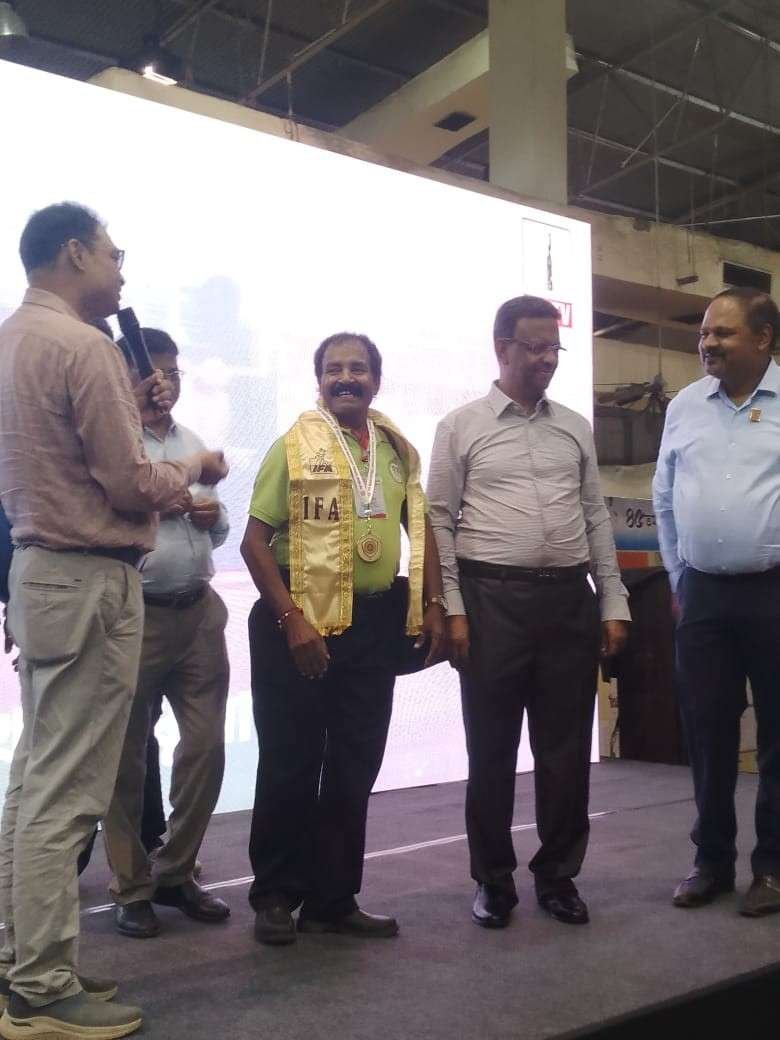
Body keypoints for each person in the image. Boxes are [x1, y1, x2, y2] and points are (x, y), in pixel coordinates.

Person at [0, 202, 227, 1040]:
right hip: (89, 578)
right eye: (113, 253)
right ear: (74, 253)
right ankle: (40, 989)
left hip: (40, 572)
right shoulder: (84, 345)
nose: (121, 270)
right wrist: (193, 467)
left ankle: (21, 962)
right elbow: (130, 484)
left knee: (35, 779)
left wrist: (130, 415)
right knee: (66, 793)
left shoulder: (12, 338)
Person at [427, 295, 630, 930]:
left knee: (565, 752)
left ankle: (558, 876)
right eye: (535, 347)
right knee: (491, 751)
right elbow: (438, 522)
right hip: (491, 601)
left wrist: (613, 600)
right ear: (502, 348)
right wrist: (453, 608)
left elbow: (595, 516)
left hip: (569, 601)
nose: (547, 359)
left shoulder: (574, 426)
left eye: (553, 348)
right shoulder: (460, 426)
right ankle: (492, 881)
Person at [241, 332, 446, 945]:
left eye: (358, 368)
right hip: (297, 625)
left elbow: (422, 530)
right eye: (334, 369)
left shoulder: (393, 450)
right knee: (291, 762)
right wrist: (291, 619)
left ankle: (332, 899)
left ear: (376, 382)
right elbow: (253, 542)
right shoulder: (294, 446)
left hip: (373, 626)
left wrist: (435, 604)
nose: (346, 378)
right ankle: (276, 896)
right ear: (319, 382)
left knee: (354, 765)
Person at [653, 286, 780, 917]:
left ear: (763, 339)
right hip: (701, 593)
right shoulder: (684, 406)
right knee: (707, 733)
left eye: (723, 333)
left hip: (774, 589)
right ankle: (711, 862)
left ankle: (773, 869)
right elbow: (663, 495)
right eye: (704, 332)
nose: (708, 343)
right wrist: (679, 576)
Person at [103, 328, 230, 938]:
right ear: (126, 375)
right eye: (155, 371)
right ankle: (131, 887)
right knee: (125, 759)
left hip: (199, 611)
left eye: (175, 371)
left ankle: (176, 872)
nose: (167, 383)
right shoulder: (112, 440)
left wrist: (212, 514)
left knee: (206, 748)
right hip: (136, 614)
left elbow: (219, 528)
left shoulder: (190, 442)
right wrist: (163, 501)